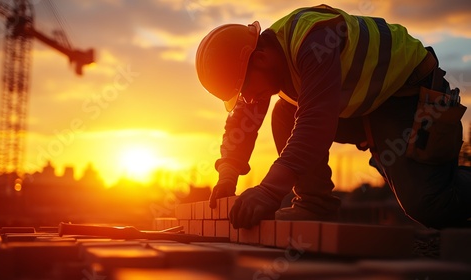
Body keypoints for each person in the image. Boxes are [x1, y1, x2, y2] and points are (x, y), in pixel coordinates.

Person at [195, 4, 471, 230]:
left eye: (245, 90)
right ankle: (314, 205)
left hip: (405, 93)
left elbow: (315, 123)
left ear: (260, 59)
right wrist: (228, 173)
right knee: (285, 111)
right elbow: (243, 119)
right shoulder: (267, 60)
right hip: (364, 104)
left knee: (431, 205)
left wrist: (269, 191)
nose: (250, 100)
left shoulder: (313, 40)